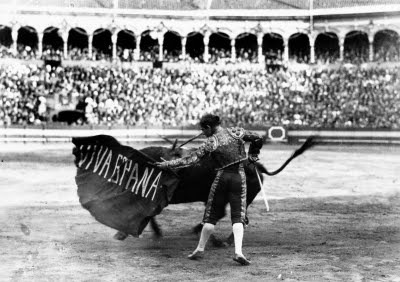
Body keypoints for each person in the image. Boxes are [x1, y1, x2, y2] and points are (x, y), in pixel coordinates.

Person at [155, 114, 263, 265]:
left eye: (203, 130)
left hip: (221, 179)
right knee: (238, 215)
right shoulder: (236, 132)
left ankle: (199, 249)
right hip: (239, 178)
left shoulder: (211, 142)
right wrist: (253, 156)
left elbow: (190, 160)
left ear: (208, 127)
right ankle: (238, 252)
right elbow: (258, 138)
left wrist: (168, 164)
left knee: (211, 216)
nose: (203, 133)